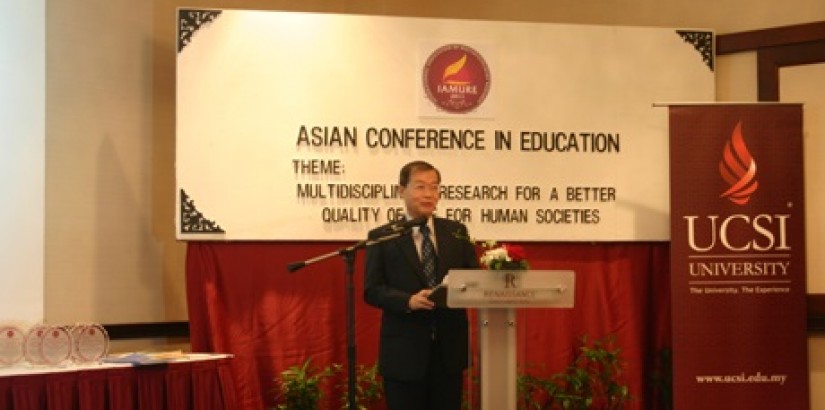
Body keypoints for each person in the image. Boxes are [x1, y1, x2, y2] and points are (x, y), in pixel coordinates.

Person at [364, 160, 479, 410]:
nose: (428, 194)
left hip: (448, 351)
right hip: (404, 352)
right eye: (420, 187)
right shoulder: (383, 236)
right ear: (400, 191)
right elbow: (372, 290)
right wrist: (408, 301)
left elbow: (474, 277)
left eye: (434, 187)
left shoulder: (456, 232)